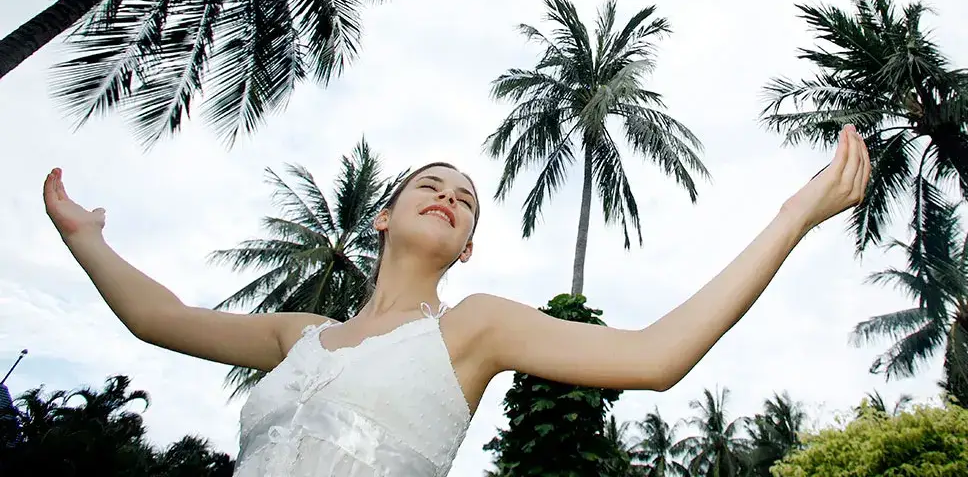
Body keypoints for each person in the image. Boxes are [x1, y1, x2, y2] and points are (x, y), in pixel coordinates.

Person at [42, 125, 870, 477]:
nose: (448, 196)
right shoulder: (300, 334)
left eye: (465, 198)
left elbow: (655, 357)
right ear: (385, 216)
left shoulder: (474, 329)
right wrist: (87, 240)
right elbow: (158, 319)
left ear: (468, 246)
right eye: (429, 186)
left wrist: (793, 217)